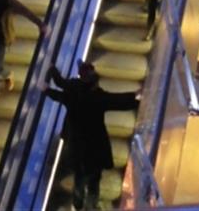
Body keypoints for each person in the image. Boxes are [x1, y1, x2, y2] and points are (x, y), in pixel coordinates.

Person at [45, 61, 139, 211]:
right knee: (94, 181)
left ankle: (77, 205)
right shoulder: (98, 97)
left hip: (78, 146)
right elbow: (117, 102)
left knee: (79, 180)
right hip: (96, 148)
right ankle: (90, 207)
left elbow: (59, 86)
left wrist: (49, 80)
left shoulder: (73, 91)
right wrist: (135, 97)